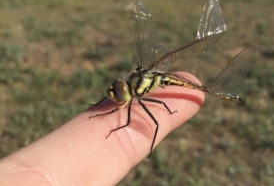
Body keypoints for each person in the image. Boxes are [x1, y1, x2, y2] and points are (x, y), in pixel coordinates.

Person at [0, 72, 204, 186]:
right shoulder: (128, 91)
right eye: (116, 89)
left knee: (156, 121)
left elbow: (127, 123)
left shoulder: (136, 97)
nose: (113, 93)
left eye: (118, 92)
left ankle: (149, 148)